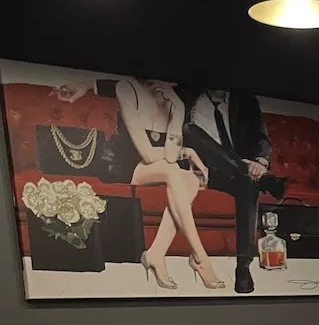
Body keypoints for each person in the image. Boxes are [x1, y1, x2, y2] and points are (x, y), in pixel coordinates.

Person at [103, 78, 225, 290]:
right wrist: (187, 151)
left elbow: (169, 155)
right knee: (176, 173)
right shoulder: (126, 88)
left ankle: (156, 254)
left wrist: (177, 109)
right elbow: (148, 154)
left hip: (160, 164)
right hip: (122, 165)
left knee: (190, 179)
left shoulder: (171, 99)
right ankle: (200, 257)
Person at [177, 88, 287, 294]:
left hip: (236, 175)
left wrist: (260, 162)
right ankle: (266, 181)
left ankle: (243, 267)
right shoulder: (187, 97)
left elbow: (261, 138)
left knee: (248, 184)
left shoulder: (246, 101)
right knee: (190, 129)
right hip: (203, 169)